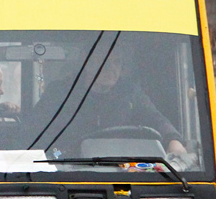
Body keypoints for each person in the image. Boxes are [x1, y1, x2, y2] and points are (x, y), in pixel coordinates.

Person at [26, 50, 187, 158]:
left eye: (117, 62)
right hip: (68, 168)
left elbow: (156, 120)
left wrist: (173, 141)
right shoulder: (60, 93)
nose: (111, 68)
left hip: (118, 172)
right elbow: (36, 133)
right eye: (104, 62)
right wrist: (55, 156)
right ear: (87, 63)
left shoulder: (130, 93)